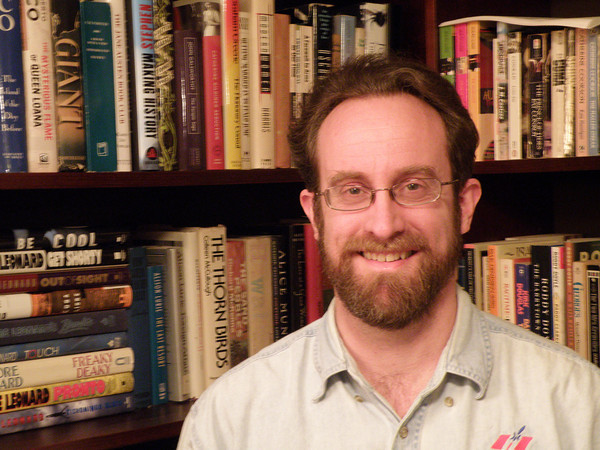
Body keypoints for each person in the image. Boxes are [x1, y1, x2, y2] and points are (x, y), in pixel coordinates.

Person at [177, 55, 600, 449]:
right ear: (315, 214)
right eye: (353, 190)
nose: (384, 225)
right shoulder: (227, 424)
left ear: (465, 206)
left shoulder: (578, 407)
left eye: (414, 186)